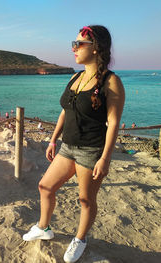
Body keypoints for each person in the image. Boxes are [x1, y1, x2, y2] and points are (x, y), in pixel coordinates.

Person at [22, 25, 125, 263]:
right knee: (45, 187)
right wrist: (53, 139)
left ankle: (80, 239)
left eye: (79, 44)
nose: (74, 49)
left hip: (91, 150)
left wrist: (105, 157)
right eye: (74, 44)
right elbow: (65, 112)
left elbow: (113, 123)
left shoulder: (112, 82)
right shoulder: (75, 76)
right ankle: (44, 228)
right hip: (67, 147)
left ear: (97, 48)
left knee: (86, 199)